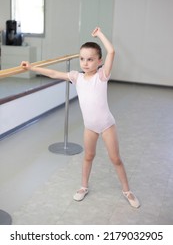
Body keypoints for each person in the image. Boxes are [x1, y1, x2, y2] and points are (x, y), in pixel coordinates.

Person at [21, 27, 140, 208]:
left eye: (90, 59)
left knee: (115, 158)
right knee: (88, 156)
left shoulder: (102, 76)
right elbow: (54, 73)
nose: (85, 63)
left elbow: (112, 51)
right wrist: (31, 67)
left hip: (107, 125)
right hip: (90, 127)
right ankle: (84, 187)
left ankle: (127, 190)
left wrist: (99, 34)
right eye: (82, 59)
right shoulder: (76, 77)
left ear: (99, 61)